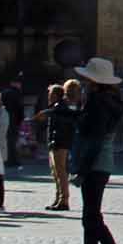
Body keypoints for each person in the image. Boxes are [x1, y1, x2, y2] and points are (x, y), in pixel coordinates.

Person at [64, 56, 123, 244]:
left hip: (94, 163)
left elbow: (93, 137)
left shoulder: (97, 102)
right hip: (102, 162)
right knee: (90, 219)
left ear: (94, 81)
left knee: (93, 219)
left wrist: (82, 170)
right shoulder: (110, 101)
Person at [46, 81, 80, 211]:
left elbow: (64, 125)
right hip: (56, 142)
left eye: (51, 94)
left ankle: (63, 200)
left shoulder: (61, 107)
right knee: (56, 173)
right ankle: (58, 198)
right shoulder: (58, 106)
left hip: (60, 143)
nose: (49, 96)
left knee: (61, 172)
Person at [2, 75, 25, 169]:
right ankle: (13, 159)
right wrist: (20, 119)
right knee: (12, 139)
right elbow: (19, 107)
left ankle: (7, 159)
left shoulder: (4, 92)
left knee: (7, 139)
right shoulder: (16, 93)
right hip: (13, 118)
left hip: (4, 117)